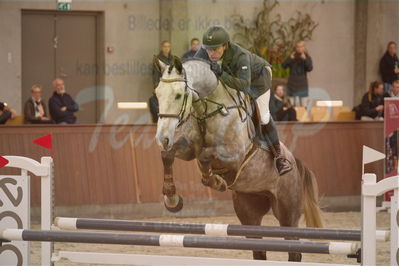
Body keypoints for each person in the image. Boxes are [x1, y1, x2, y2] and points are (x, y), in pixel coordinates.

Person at [194, 25, 292, 176]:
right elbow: (194, 68)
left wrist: (221, 74)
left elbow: (245, 86)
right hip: (235, 77)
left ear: (225, 46)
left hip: (258, 79)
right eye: (208, 49)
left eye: (215, 49)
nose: (210, 53)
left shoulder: (240, 56)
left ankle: (279, 157)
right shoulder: (205, 50)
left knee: (264, 116)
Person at [282, 41, 313, 107]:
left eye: (301, 46)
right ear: (295, 47)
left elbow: (310, 69)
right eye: (297, 47)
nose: (299, 48)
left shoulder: (307, 57)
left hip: (302, 85)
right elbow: (283, 66)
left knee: (304, 107)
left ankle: (303, 117)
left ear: (304, 47)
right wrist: (290, 58)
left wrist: (305, 59)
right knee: (290, 106)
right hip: (291, 84)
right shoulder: (292, 56)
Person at [150, 40, 174, 123]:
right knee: (158, 103)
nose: (167, 48)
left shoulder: (173, 59)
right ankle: (158, 121)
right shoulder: (157, 59)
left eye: (168, 46)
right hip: (161, 84)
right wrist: (156, 85)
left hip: (172, 85)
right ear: (162, 48)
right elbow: (155, 73)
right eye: (165, 46)